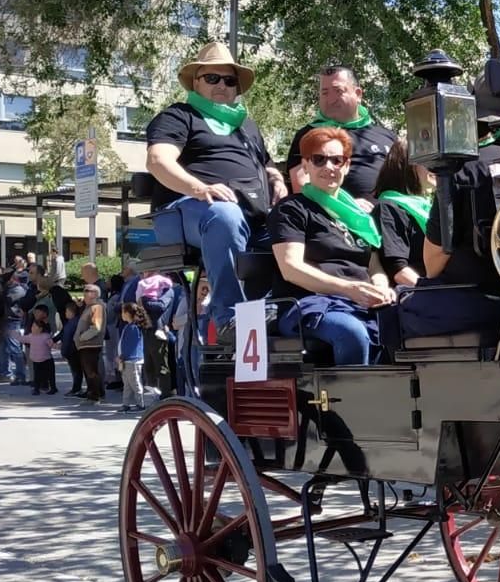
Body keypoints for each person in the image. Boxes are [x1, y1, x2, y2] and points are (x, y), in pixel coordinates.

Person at [145, 40, 286, 327]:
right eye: (212, 78)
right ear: (195, 82)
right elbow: (158, 161)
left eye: (229, 80)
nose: (221, 84)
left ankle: (284, 312)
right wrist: (200, 188)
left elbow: (267, 163)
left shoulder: (246, 126)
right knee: (224, 214)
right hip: (187, 210)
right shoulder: (179, 116)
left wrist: (277, 178)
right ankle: (229, 317)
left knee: (295, 230)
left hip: (250, 215)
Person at [269, 126, 397, 364]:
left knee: (409, 324)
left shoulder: (357, 216)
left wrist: (381, 286)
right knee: (351, 332)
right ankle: (354, 400)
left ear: (346, 166)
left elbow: (373, 264)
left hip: (359, 300)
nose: (329, 167)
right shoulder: (292, 209)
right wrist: (349, 289)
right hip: (309, 303)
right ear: (305, 165)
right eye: (319, 160)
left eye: (337, 160)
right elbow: (291, 268)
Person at [286, 66, 394, 199]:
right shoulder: (308, 136)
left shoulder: (387, 136)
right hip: (332, 216)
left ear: (358, 94)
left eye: (338, 91)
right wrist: (349, 208)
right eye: (325, 93)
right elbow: (302, 189)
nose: (331, 100)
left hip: (389, 214)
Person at [371, 140, 435, 286]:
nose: (435, 168)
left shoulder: (428, 207)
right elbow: (398, 271)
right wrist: (435, 291)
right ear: (407, 166)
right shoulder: (388, 208)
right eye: (428, 161)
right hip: (416, 294)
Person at [73, 283, 107, 402]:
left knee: (91, 372)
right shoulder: (90, 307)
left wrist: (82, 337)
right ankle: (95, 393)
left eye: (87, 290)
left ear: (95, 294)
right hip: (86, 345)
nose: (84, 292)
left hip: (91, 345)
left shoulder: (97, 307)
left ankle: (95, 395)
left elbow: (96, 327)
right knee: (90, 371)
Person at [117, 302, 147, 411]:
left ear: (128, 313)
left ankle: (141, 404)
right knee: (127, 384)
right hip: (126, 360)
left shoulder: (133, 328)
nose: (122, 314)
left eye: (123, 312)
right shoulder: (129, 327)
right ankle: (126, 404)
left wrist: (123, 356)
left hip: (132, 360)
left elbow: (132, 346)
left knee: (135, 383)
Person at [21, 314, 58, 395]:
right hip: (36, 360)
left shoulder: (45, 336)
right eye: (32, 326)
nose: (32, 328)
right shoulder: (31, 336)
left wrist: (57, 346)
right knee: (37, 375)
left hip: (47, 359)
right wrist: (15, 335)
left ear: (40, 329)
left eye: (35, 327)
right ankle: (36, 389)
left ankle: (53, 388)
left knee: (50, 375)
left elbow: (51, 344)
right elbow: (23, 339)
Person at [59, 303, 84, 395]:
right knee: (76, 370)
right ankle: (76, 388)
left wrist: (64, 351)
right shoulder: (72, 322)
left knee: (76, 370)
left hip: (72, 350)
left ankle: (76, 388)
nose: (65, 313)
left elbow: (68, 338)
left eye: (66, 311)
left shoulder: (73, 323)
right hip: (72, 350)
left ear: (71, 312)